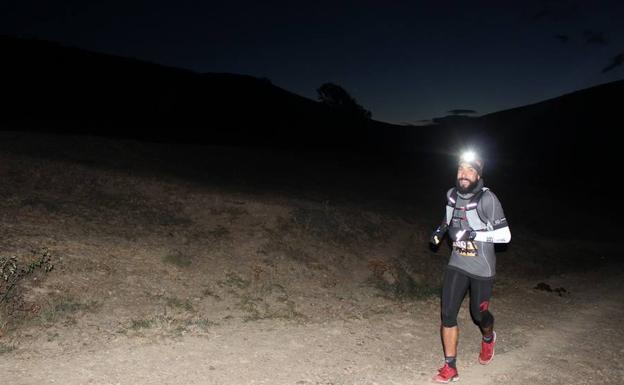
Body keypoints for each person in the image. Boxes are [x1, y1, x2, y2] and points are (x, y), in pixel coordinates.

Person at [429, 151, 511, 383]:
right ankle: (450, 367)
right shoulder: (452, 195)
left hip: (482, 268)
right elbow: (450, 218)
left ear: (478, 175)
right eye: (460, 169)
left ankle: (488, 338)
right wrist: (440, 230)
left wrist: (474, 234)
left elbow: (505, 236)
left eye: (470, 170)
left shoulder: (488, 199)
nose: (464, 174)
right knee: (447, 314)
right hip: (458, 263)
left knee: (479, 314)